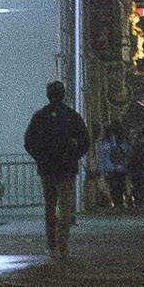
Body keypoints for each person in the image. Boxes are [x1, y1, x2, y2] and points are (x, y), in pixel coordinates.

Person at [24, 80, 89, 259]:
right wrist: (73, 155)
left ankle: (51, 243)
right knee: (65, 206)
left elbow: (28, 142)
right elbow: (85, 140)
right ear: (64, 94)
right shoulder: (72, 116)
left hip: (47, 169)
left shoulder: (40, 116)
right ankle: (63, 243)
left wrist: (41, 159)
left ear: (48, 95)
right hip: (67, 168)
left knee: (50, 205)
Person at [96, 120, 132, 208]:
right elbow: (127, 152)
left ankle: (116, 202)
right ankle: (122, 202)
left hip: (109, 166)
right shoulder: (123, 139)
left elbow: (102, 156)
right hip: (121, 166)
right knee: (121, 184)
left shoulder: (105, 140)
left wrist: (102, 170)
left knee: (113, 185)